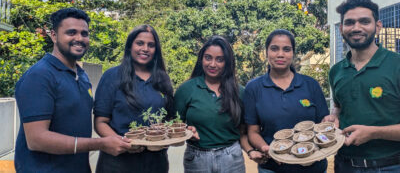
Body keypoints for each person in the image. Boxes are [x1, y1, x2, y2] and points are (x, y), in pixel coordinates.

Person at [14, 8, 131, 173]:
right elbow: (36, 139)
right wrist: (101, 143)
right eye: (71, 32)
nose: (79, 38)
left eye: (84, 33)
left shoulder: (82, 76)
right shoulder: (40, 76)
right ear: (53, 35)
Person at [323, 0, 400, 172]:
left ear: (378, 26)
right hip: (344, 164)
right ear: (342, 29)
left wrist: (374, 132)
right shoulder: (336, 71)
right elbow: (339, 106)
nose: (356, 28)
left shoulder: (396, 65)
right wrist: (334, 116)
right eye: (350, 23)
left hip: (390, 166)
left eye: (364, 21)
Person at [243, 29, 329, 173]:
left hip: (313, 167)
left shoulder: (310, 85)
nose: (280, 54)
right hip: (273, 167)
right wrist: (267, 149)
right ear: (266, 52)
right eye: (274, 49)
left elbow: (323, 124)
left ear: (293, 53)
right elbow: (253, 132)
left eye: (286, 49)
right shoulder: (254, 88)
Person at [93, 24, 175, 173]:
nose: (145, 49)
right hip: (118, 162)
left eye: (151, 45)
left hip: (155, 162)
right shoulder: (112, 76)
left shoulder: (162, 79)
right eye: (140, 43)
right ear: (130, 46)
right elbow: (100, 122)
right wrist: (122, 142)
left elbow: (169, 118)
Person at [174, 35, 262, 173]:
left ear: (227, 63)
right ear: (201, 59)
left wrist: (251, 151)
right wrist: (186, 131)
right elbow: (172, 127)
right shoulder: (186, 90)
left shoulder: (240, 92)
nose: (213, 64)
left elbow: (243, 131)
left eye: (219, 59)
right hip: (197, 159)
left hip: (231, 159)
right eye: (208, 58)